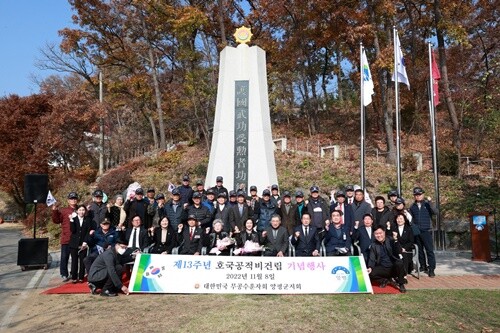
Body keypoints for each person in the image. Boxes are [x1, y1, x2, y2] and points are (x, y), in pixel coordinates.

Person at [366, 225, 406, 293]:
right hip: (382, 267)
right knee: (369, 273)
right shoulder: (373, 245)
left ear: (384, 232)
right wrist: (370, 267)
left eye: (380, 233)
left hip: (393, 266)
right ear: (374, 235)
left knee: (399, 263)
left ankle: (401, 284)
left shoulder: (391, 240)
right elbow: (372, 258)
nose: (379, 235)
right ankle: (385, 280)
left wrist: (396, 240)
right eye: (376, 234)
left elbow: (399, 251)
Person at [409, 187, 438, 277]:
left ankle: (431, 269)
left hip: (427, 230)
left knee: (429, 250)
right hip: (417, 231)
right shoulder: (412, 206)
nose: (418, 196)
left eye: (419, 194)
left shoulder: (427, 204)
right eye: (416, 195)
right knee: (420, 250)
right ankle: (423, 266)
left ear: (423, 194)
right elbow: (411, 218)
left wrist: (430, 202)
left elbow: (436, 212)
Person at [51, 191, 79, 282]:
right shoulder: (63, 211)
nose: (73, 200)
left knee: (76, 258)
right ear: (68, 200)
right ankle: (64, 274)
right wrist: (54, 210)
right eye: (71, 199)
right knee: (64, 257)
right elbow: (56, 220)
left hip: (77, 238)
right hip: (66, 238)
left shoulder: (81, 209)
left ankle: (74, 273)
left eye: (75, 198)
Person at [69, 204, 95, 283]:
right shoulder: (74, 219)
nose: (81, 212)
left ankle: (81, 277)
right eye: (80, 210)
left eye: (83, 210)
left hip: (83, 243)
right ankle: (74, 277)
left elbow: (88, 232)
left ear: (85, 211)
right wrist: (71, 220)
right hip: (74, 243)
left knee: (82, 260)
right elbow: (73, 230)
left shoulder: (88, 220)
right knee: (74, 261)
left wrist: (85, 242)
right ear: (77, 211)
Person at [389, 212, 415, 282]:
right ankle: (395, 275)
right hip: (395, 248)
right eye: (398, 218)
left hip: (406, 249)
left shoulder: (409, 229)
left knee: (404, 255)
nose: (399, 220)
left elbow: (411, 241)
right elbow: (390, 239)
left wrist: (405, 248)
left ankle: (404, 275)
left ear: (404, 220)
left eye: (401, 219)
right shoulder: (393, 228)